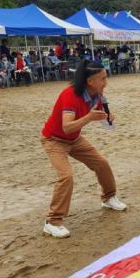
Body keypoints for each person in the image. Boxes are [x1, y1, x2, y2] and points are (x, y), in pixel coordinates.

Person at [40, 60, 126, 238]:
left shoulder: (98, 94)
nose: (106, 82)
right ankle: (52, 222)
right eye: (103, 78)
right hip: (54, 139)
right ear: (90, 81)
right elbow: (67, 127)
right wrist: (89, 118)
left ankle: (108, 198)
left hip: (75, 139)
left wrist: (108, 118)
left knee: (102, 163)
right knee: (66, 176)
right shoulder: (70, 95)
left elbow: (103, 119)